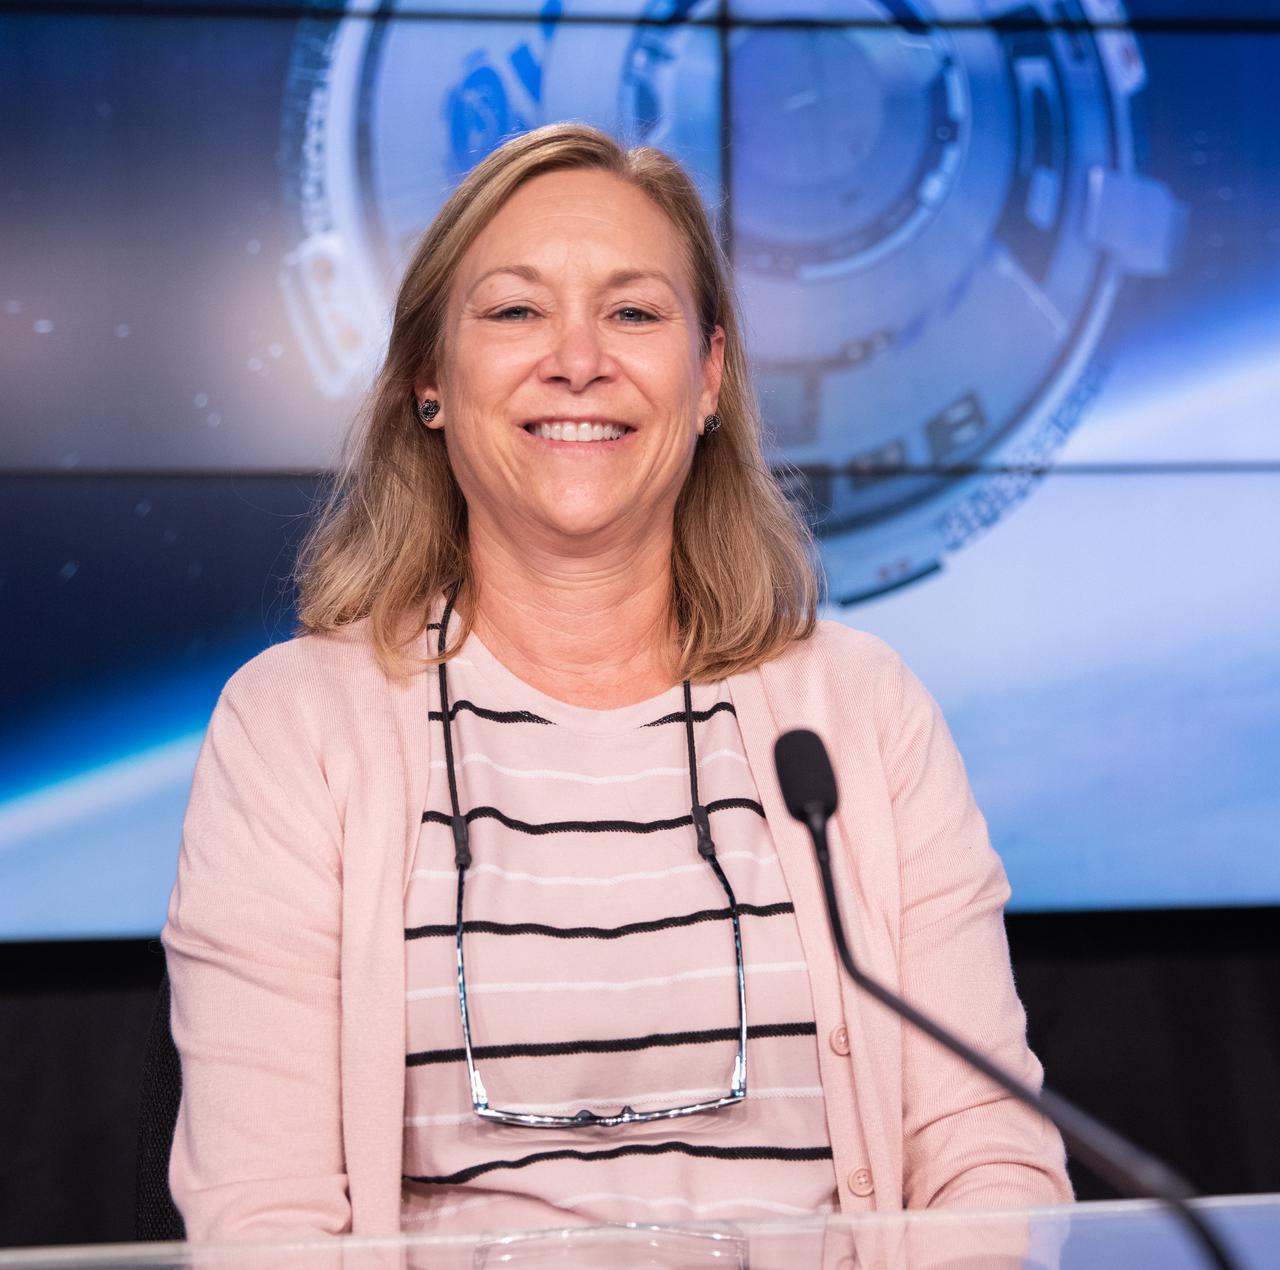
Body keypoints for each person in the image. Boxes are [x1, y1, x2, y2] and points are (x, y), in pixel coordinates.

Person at [162, 122, 1071, 1243]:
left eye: (634, 312)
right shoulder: (291, 727)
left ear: (707, 378)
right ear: (428, 382)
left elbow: (986, 1158)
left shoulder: (860, 714)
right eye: (513, 311)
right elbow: (266, 1220)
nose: (578, 358)